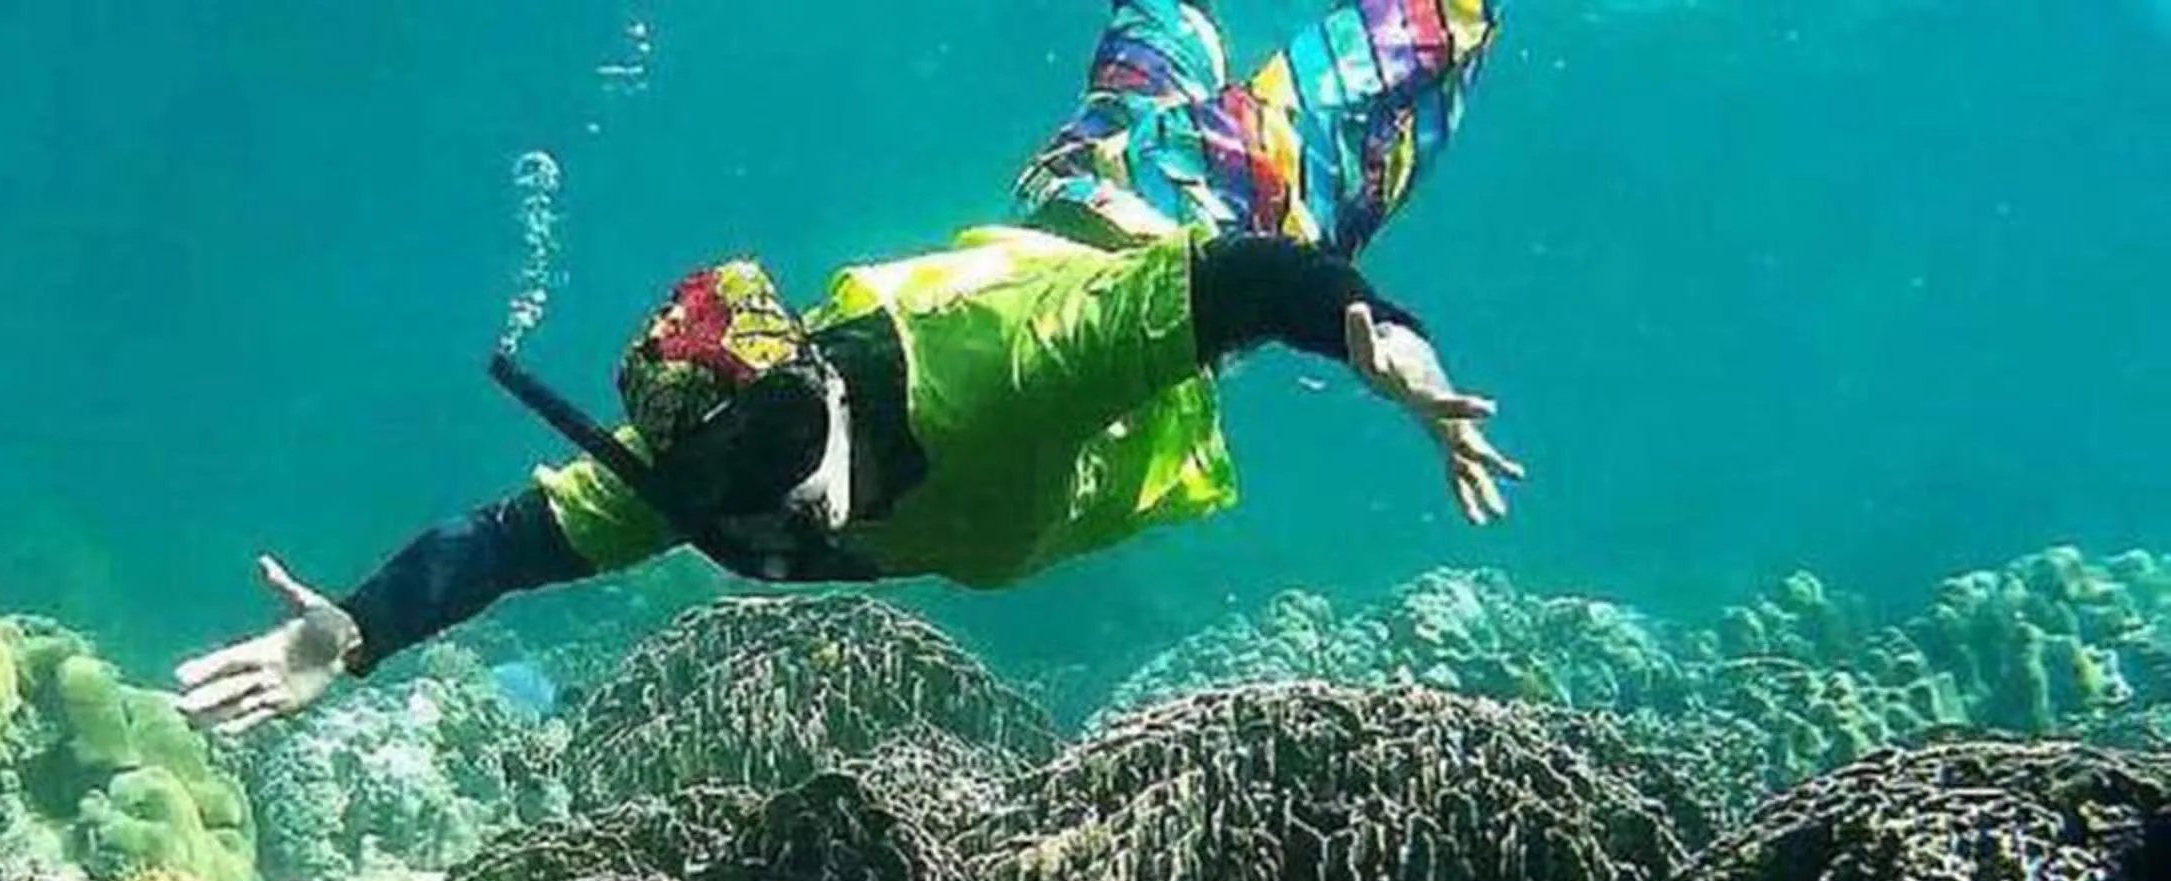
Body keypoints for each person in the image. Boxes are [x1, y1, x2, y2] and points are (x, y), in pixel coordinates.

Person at [176, 0, 1520, 735]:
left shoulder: (994, 370)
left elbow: (1248, 280)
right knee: (1151, 48)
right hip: (1080, 179)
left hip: (1225, 198)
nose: (779, 505)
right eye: (726, 478)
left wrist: (1376, 344)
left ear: (817, 375)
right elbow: (511, 540)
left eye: (769, 454)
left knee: (1438, 26)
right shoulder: (703, 478)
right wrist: (346, 633)